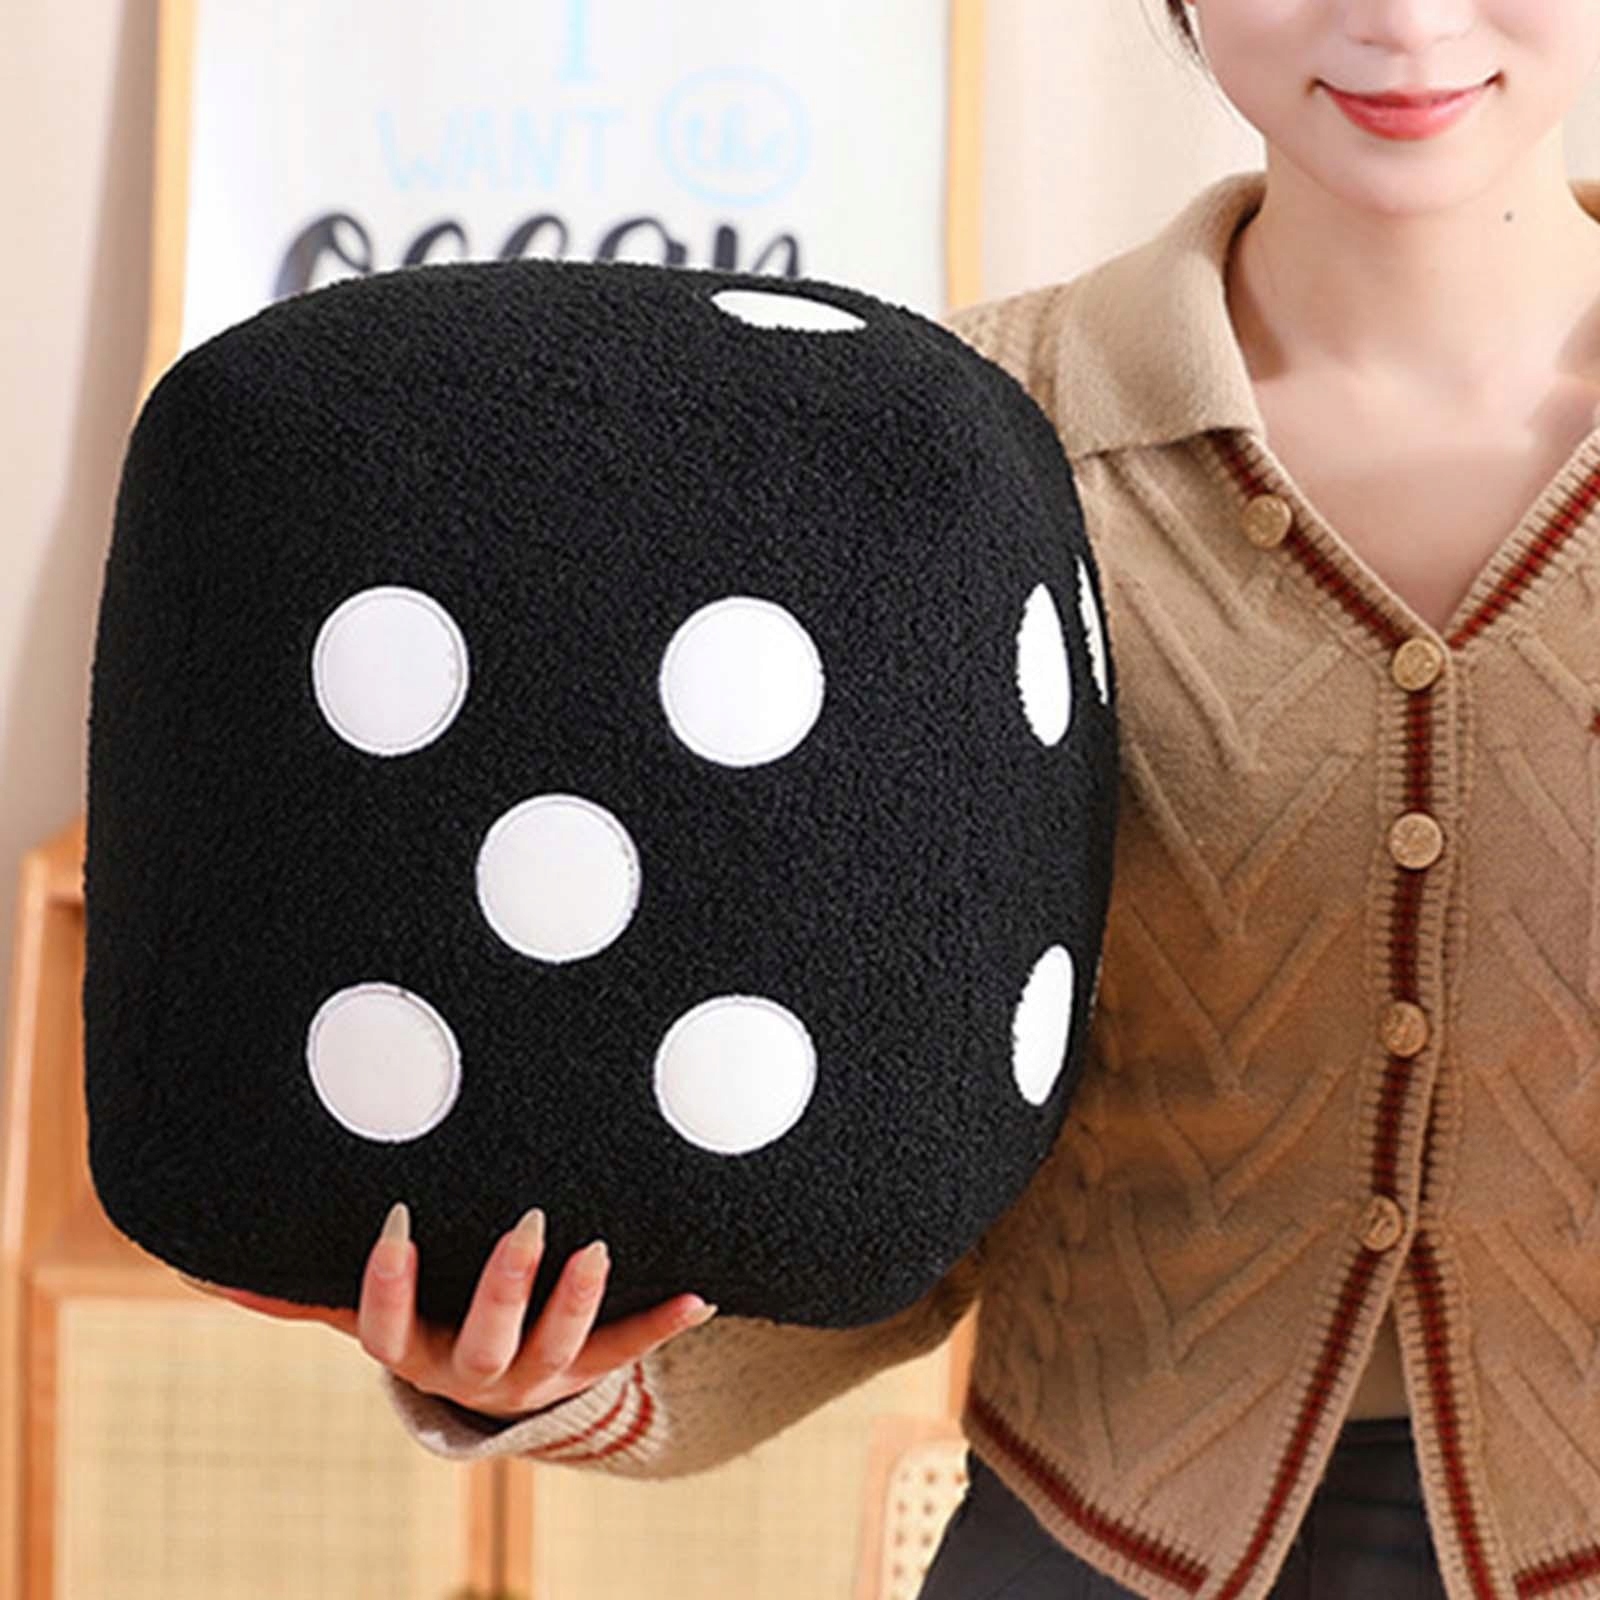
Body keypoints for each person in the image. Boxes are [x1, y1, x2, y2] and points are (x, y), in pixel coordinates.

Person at [187, 2, 1600, 1595]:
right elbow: (884, 1143)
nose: (1405, 17)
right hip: (1088, 1538)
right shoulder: (935, 455)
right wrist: (553, 1360)